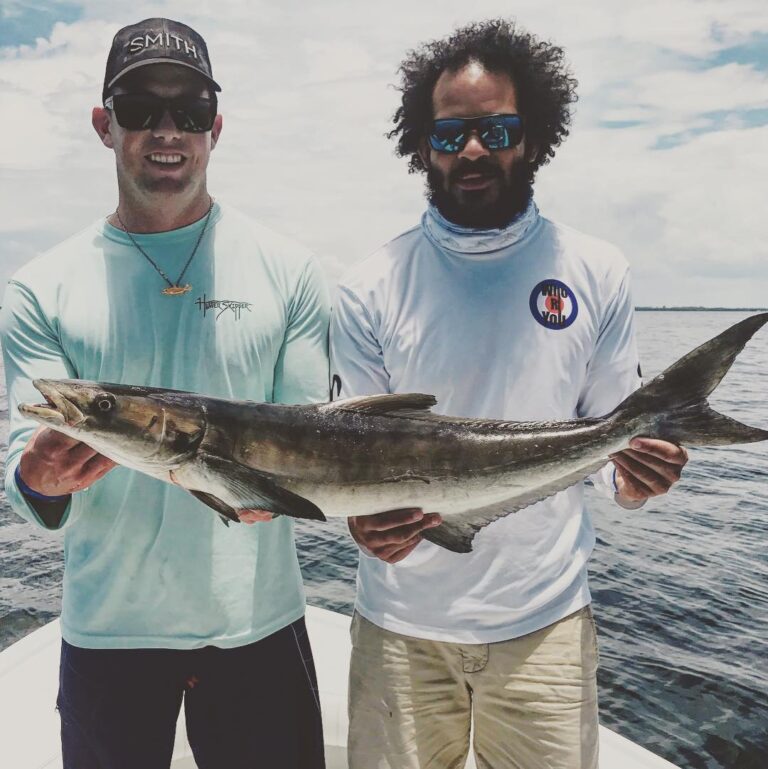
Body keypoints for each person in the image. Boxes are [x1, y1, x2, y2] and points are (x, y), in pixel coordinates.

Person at [331, 19, 688, 769]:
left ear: (532, 138)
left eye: (497, 130)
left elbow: (610, 450)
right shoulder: (367, 289)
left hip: (544, 623)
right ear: (421, 145)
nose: (472, 150)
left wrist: (635, 477)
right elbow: (352, 462)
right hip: (400, 624)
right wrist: (364, 526)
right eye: (451, 132)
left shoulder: (596, 270)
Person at [0, 18, 328, 769]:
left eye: (188, 107)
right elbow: (27, 472)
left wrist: (274, 490)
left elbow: (310, 440)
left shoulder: (292, 271)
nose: (166, 128)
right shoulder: (38, 289)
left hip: (256, 628)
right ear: (103, 124)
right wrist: (38, 479)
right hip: (110, 634)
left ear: (217, 124)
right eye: (141, 106)